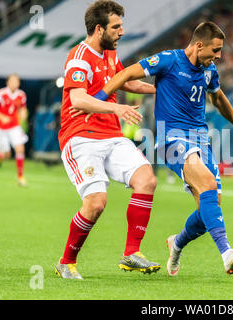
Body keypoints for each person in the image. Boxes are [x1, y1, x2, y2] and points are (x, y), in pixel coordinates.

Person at [87, 21, 233, 275]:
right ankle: (226, 252)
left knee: (210, 205)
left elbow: (218, 98)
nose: (219, 56)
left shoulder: (209, 71)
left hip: (200, 140)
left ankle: (177, 243)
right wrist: (96, 100)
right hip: (171, 140)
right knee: (207, 184)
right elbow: (125, 74)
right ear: (199, 45)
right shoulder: (168, 60)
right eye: (215, 50)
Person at [55, 0, 160, 280]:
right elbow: (77, 98)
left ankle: (132, 253)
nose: (121, 32)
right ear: (99, 28)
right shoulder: (79, 56)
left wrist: (163, 89)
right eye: (116, 27)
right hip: (80, 137)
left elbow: (126, 82)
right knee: (96, 203)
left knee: (147, 180)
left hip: (111, 135)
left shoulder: (111, 53)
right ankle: (66, 262)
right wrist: (117, 108)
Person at [0, 74, 28, 186]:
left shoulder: (21, 95)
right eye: (13, 81)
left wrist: (23, 116)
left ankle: (20, 176)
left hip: (14, 126)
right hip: (0, 127)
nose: (15, 83)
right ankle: (0, 155)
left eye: (17, 81)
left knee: (20, 149)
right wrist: (2, 117)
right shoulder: (0, 94)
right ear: (8, 82)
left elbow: (22, 109)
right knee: (7, 155)